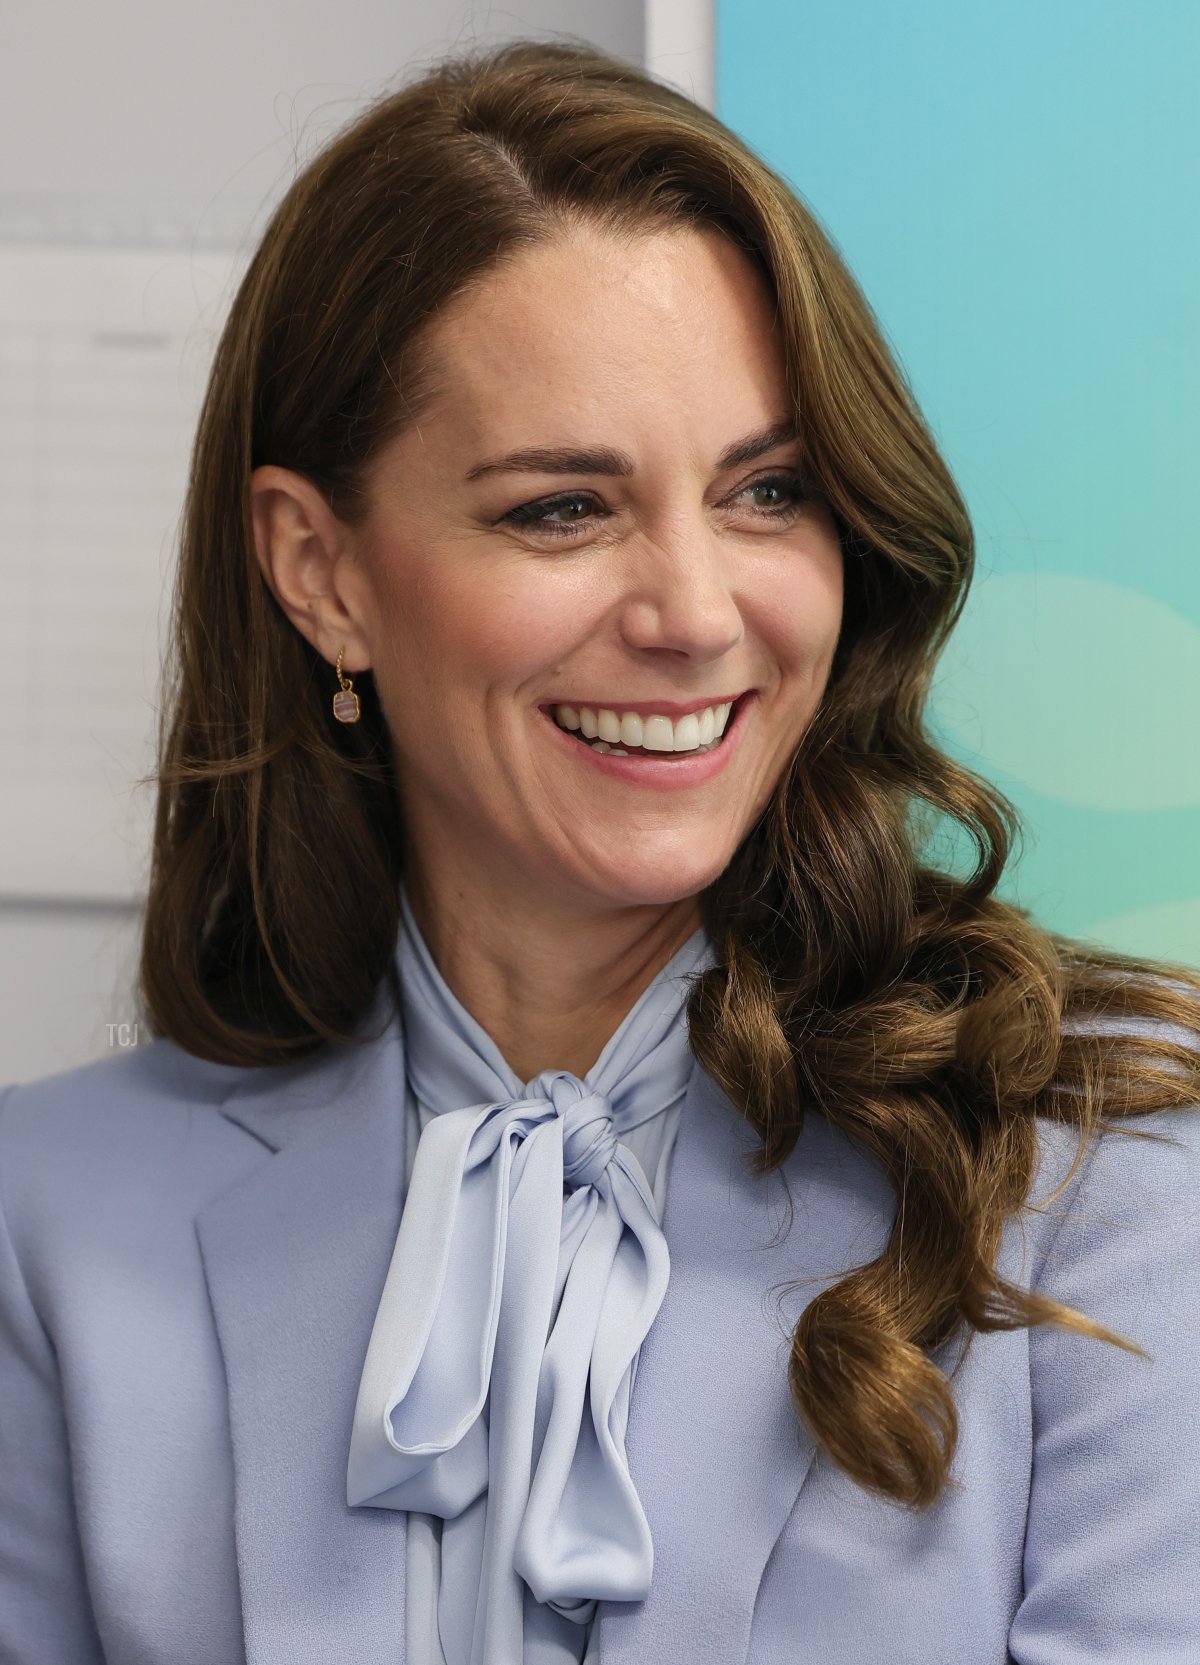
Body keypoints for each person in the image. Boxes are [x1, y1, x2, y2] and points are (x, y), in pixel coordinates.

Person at [1, 37, 1198, 1665]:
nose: (697, 613)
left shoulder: (1109, 1167)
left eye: (767, 491)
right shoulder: (51, 1217)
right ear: (319, 569)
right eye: (562, 508)